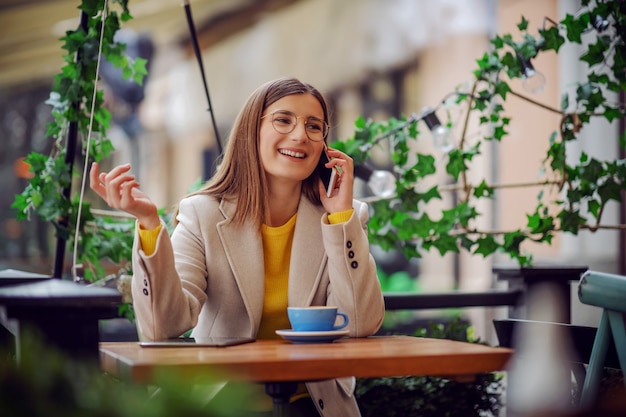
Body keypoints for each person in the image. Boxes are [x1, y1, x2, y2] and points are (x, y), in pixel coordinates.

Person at [90, 77, 385, 416]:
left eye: (314, 126)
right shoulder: (202, 213)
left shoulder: (344, 217)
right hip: (224, 401)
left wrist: (340, 219)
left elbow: (361, 322)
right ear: (251, 132)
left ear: (324, 146)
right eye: (284, 120)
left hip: (313, 404)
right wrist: (148, 224)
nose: (300, 135)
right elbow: (162, 327)